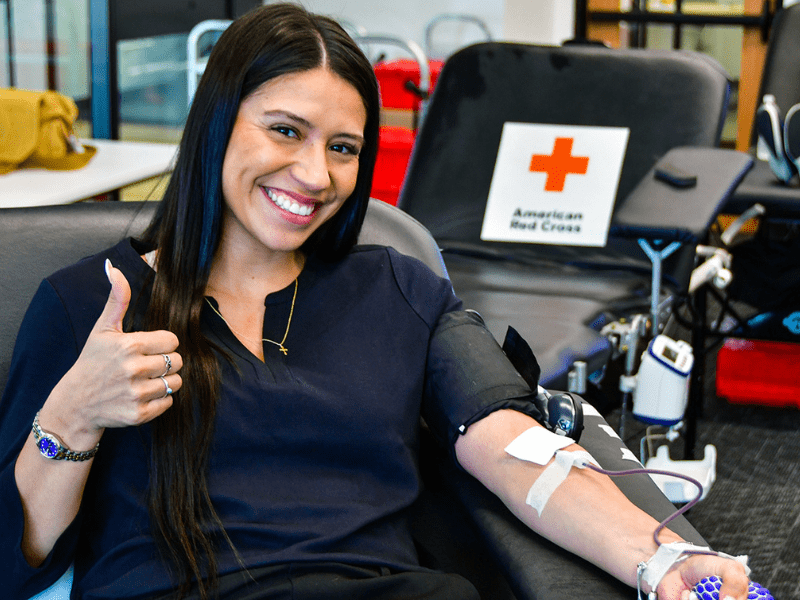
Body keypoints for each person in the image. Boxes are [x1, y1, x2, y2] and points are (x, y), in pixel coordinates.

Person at [0, 4, 751, 600]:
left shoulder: (399, 290)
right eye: (285, 130)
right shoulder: (87, 306)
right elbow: (15, 563)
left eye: (343, 147)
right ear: (217, 124)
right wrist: (71, 417)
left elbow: (515, 447)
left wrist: (664, 560)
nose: (314, 173)